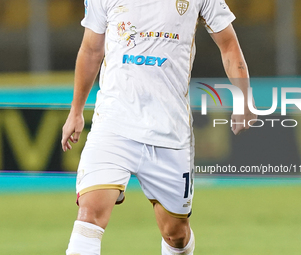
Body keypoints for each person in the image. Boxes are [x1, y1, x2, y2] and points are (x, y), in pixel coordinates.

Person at [61, 0, 256, 254]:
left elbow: (228, 44)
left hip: (170, 132)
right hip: (113, 124)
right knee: (89, 214)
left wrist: (243, 97)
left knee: (175, 234)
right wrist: (76, 111)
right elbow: (91, 50)